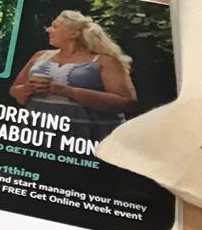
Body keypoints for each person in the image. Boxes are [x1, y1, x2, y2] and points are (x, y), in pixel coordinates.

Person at [10, 9, 136, 141]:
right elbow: (14, 90)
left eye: (55, 26)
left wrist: (67, 91)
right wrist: (27, 89)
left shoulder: (105, 60)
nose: (48, 30)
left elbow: (126, 101)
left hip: (87, 137)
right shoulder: (40, 56)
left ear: (74, 33)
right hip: (36, 134)